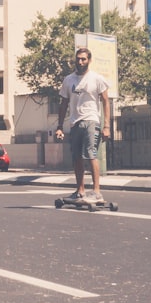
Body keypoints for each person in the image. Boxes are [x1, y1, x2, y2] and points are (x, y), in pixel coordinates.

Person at [56, 47, 111, 204]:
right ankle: (80, 191)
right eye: (78, 59)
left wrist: (106, 126)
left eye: (83, 59)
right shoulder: (68, 80)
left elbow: (106, 102)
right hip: (75, 123)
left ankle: (96, 192)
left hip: (91, 121)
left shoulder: (97, 79)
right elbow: (63, 103)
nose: (80, 62)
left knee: (91, 154)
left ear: (89, 60)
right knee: (77, 158)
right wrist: (60, 126)